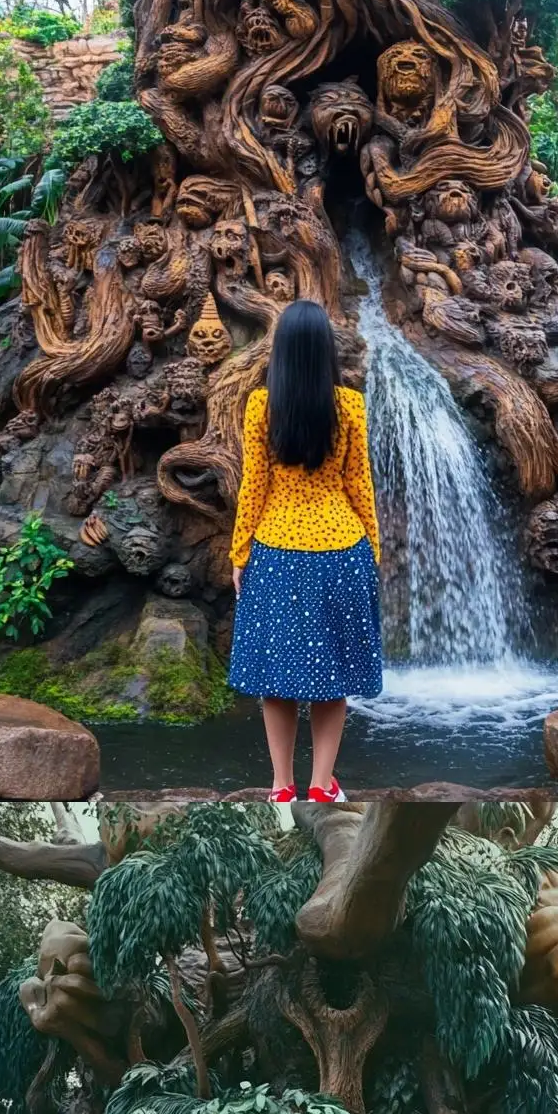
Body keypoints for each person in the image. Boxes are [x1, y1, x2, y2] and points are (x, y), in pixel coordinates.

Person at [228, 298, 383, 804]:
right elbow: (361, 486)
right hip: (341, 549)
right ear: (324, 351)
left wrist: (239, 551)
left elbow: (254, 487)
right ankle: (321, 786)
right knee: (332, 675)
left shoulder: (259, 407)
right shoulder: (350, 407)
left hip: (276, 552)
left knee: (276, 675)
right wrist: (373, 550)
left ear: (282, 351)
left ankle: (280, 786)